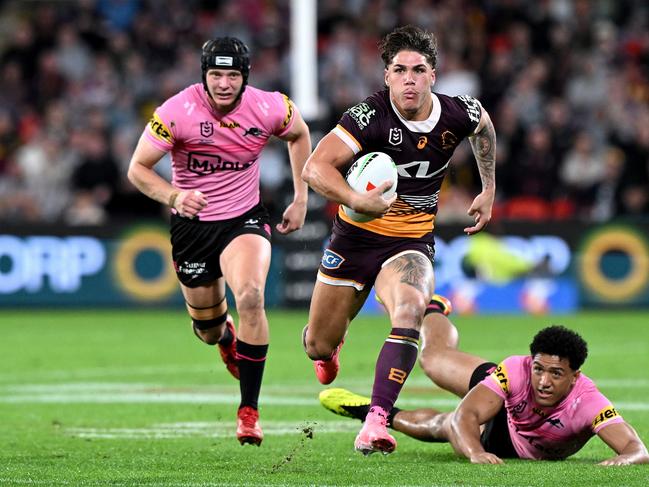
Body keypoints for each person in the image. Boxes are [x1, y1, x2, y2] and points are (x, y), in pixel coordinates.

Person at [300, 24, 496, 455]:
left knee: (409, 311)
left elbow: (484, 127)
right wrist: (355, 198)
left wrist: (488, 187)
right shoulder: (368, 117)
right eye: (400, 70)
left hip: (409, 243)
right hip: (354, 240)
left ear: (433, 75)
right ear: (386, 76)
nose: (410, 78)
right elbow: (315, 168)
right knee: (318, 342)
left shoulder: (457, 112)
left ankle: (376, 421)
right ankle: (328, 348)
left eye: (419, 69)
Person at [127, 37, 311, 446]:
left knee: (249, 296)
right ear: (204, 76)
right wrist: (174, 196)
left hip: (244, 220)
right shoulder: (176, 111)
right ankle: (226, 338)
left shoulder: (269, 106)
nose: (224, 83)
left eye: (232, 74)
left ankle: (249, 411)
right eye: (216, 74)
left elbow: (299, 135)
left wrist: (301, 197)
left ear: (245, 76)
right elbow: (137, 169)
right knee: (207, 331)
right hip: (192, 227)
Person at [320, 308, 649, 465]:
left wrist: (623, 461)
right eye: (539, 369)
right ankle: (432, 308)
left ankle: (374, 413)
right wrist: (475, 453)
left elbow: (637, 450)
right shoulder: (516, 372)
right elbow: (466, 416)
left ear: (575, 376)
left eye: (556, 374)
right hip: (502, 401)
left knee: (438, 426)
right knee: (434, 360)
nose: (544, 381)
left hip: (510, 444)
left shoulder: (588, 401)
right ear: (530, 363)